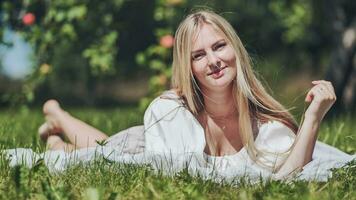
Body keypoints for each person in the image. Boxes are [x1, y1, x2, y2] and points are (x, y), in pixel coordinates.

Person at [7, 10, 355, 181]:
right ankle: (56, 118)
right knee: (100, 152)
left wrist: (313, 117)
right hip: (149, 140)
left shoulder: (266, 125)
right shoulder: (170, 112)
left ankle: (56, 128)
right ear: (188, 68)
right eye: (199, 55)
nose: (214, 60)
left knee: (92, 150)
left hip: (157, 144)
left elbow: (289, 176)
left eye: (219, 47)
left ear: (236, 50)